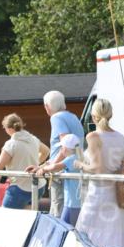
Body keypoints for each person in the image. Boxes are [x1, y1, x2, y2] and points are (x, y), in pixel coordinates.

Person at [72, 99, 124, 247]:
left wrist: (79, 164)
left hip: (99, 194)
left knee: (88, 234)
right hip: (118, 194)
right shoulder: (120, 137)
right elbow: (122, 164)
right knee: (118, 236)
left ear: (93, 116)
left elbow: (97, 168)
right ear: (111, 115)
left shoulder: (93, 136)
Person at [0, 114, 49, 209]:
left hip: (19, 187)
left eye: (5, 128)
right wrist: (35, 163)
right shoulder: (33, 139)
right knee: (28, 218)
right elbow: (46, 151)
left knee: (5, 216)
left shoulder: (10, 144)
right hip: (38, 186)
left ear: (10, 129)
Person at [42, 90, 85, 218]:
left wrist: (51, 166)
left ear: (47, 106)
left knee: (57, 211)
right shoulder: (73, 117)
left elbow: (66, 145)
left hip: (61, 172)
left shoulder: (56, 118)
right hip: (74, 169)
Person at [37, 133, 82, 226]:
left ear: (65, 148)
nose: (61, 150)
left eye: (61, 148)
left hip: (72, 202)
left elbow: (55, 167)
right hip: (78, 201)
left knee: (65, 228)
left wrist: (43, 169)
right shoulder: (80, 157)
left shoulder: (71, 158)